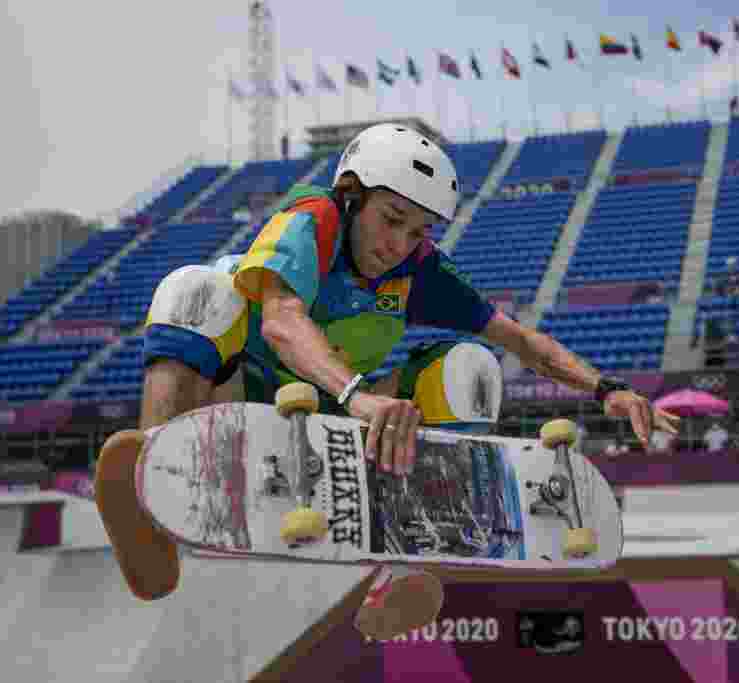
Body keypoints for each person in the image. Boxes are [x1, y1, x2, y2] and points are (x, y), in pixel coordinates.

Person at [138, 122, 679, 636]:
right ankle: (150, 496)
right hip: (236, 391)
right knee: (194, 290)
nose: (399, 243)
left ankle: (402, 569)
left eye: (417, 230)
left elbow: (523, 343)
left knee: (471, 367)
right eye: (391, 219)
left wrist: (607, 388)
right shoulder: (313, 218)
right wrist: (356, 397)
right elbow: (280, 317)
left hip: (333, 414)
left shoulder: (419, 269)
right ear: (352, 197)